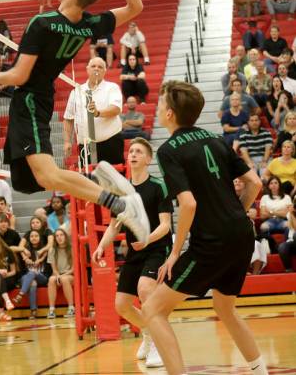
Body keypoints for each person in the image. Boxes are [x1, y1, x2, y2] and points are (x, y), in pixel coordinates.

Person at [0, 0, 150, 244]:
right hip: (42, 99)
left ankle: (121, 203)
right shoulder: (89, 24)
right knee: (40, 178)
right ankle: (108, 188)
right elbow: (136, 6)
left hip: (30, 100)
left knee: (47, 176)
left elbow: (19, 76)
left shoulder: (42, 23)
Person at [138, 80, 268, 375]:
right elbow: (255, 182)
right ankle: (261, 372)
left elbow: (188, 204)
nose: (157, 109)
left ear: (170, 113)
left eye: (160, 105)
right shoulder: (215, 138)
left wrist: (173, 253)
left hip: (211, 241)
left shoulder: (169, 150)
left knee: (152, 310)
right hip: (242, 234)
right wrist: (236, 214)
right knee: (225, 308)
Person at [92, 138, 172, 369]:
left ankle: (158, 344)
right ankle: (147, 331)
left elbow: (166, 224)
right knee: (122, 305)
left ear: (148, 159)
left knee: (145, 289)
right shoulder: (121, 190)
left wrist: (148, 239)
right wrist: (100, 246)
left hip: (157, 248)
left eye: (139, 152)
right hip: (135, 252)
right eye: (131, 151)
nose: (133, 154)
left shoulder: (159, 186)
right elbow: (113, 225)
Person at [63, 57, 124, 166]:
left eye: (100, 67)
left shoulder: (112, 88)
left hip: (110, 143)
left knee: (113, 180)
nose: (96, 69)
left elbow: (116, 109)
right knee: (88, 180)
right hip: (85, 147)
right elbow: (68, 118)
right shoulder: (76, 91)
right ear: (87, 69)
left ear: (105, 71)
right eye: (93, 66)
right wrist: (67, 141)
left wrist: (97, 113)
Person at [234, 179, 268, 275]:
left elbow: (253, 214)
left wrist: (237, 214)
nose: (237, 182)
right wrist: (244, 213)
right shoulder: (228, 198)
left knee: (257, 245)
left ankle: (255, 275)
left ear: (244, 184)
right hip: (231, 232)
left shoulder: (249, 196)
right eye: (235, 181)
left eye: (239, 181)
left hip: (246, 230)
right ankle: (241, 273)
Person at [13, 229, 50, 318]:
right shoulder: (25, 251)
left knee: (33, 272)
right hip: (26, 277)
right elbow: (10, 248)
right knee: (32, 283)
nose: (34, 238)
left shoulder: (44, 250)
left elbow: (51, 247)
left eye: (36, 236)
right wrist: (24, 253)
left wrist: (41, 260)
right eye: (31, 236)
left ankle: (20, 294)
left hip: (42, 277)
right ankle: (33, 311)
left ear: (40, 238)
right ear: (29, 238)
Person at [46, 228, 74, 319]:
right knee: (51, 279)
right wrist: (58, 275)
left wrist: (62, 276)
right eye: (57, 236)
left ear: (65, 236)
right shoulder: (52, 250)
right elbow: (54, 269)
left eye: (61, 235)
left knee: (64, 279)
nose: (59, 237)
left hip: (70, 274)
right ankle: (51, 309)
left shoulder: (72, 248)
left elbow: (74, 269)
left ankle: (71, 308)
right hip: (59, 274)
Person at [258, 176, 291, 251]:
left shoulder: (287, 197)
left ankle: (286, 246)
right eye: (271, 183)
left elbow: (288, 214)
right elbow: (262, 215)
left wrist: (270, 211)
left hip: (283, 221)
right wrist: (281, 211)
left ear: (279, 185)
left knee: (289, 225)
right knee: (263, 227)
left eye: (276, 183)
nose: (273, 185)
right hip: (269, 221)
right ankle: (270, 248)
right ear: (268, 186)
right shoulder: (265, 197)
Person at [278, 196, 296, 272]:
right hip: (292, 243)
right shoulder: (291, 214)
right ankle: (288, 269)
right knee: (282, 246)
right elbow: (293, 227)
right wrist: (292, 213)